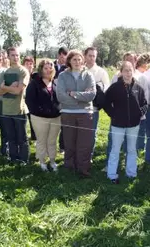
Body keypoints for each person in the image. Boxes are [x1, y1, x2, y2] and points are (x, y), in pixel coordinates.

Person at [104, 61, 148, 184]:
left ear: (133, 71)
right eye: (125, 70)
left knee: (132, 149)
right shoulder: (115, 87)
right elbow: (105, 102)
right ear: (121, 72)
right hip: (118, 124)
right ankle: (112, 174)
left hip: (133, 125)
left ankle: (131, 173)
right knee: (115, 149)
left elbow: (145, 104)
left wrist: (139, 114)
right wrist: (113, 114)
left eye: (130, 70)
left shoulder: (138, 88)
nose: (128, 73)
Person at [56, 50, 96, 178]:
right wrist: (81, 98)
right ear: (69, 61)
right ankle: (69, 168)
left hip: (85, 114)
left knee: (84, 143)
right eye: (74, 60)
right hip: (67, 113)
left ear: (83, 60)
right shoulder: (62, 76)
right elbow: (60, 96)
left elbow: (91, 95)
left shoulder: (88, 75)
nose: (77, 62)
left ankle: (83, 168)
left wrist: (73, 94)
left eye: (79, 59)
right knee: (69, 142)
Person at [25, 59, 61, 172]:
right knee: (42, 140)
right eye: (46, 68)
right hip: (39, 118)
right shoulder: (34, 83)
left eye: (50, 68)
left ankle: (52, 161)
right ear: (41, 69)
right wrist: (40, 111)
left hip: (56, 117)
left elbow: (59, 99)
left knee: (52, 140)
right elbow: (30, 101)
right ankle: (42, 162)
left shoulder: (56, 83)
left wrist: (58, 109)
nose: (48, 70)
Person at [0, 47, 30, 164]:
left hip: (19, 110)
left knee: (21, 138)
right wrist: (11, 87)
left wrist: (5, 87)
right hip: (6, 110)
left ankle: (23, 160)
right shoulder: (5, 72)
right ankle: (13, 158)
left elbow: (18, 91)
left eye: (17, 55)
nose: (15, 57)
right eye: (13, 55)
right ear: (8, 57)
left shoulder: (23, 71)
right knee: (11, 138)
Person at [84, 47, 110, 160]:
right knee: (79, 133)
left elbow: (106, 89)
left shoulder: (101, 72)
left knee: (91, 134)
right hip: (78, 108)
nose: (91, 58)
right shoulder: (79, 69)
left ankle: (88, 156)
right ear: (85, 56)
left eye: (94, 56)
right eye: (89, 55)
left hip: (93, 109)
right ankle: (78, 156)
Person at [54, 47, 68, 154]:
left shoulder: (68, 68)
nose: (64, 59)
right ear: (58, 55)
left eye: (65, 57)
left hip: (64, 99)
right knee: (52, 124)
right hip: (52, 99)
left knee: (64, 124)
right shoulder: (51, 65)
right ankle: (51, 145)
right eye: (62, 56)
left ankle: (62, 146)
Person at [22, 56, 37, 142]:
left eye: (31, 64)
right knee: (22, 120)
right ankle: (23, 137)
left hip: (33, 102)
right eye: (27, 64)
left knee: (33, 121)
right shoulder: (21, 75)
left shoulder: (36, 76)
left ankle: (34, 137)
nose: (29, 65)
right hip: (22, 101)